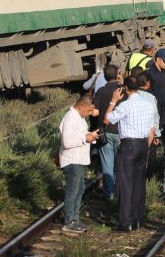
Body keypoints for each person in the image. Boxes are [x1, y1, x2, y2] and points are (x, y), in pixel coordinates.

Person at [104, 76, 157, 231]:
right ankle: (138, 219)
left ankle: (126, 222)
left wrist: (113, 100)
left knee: (126, 184)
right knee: (139, 184)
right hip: (142, 144)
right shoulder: (148, 104)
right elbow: (151, 129)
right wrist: (146, 147)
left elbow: (107, 120)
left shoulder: (125, 105)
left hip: (128, 146)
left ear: (126, 88)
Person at [58, 94, 100, 233]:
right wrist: (85, 138)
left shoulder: (79, 117)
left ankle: (75, 219)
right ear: (82, 106)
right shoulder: (70, 118)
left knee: (80, 189)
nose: (90, 114)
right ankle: (69, 221)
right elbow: (67, 142)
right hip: (72, 160)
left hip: (79, 160)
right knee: (73, 191)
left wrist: (91, 136)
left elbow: (81, 135)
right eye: (89, 111)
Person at [92, 63, 123, 201]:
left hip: (105, 132)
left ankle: (109, 193)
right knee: (119, 164)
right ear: (117, 74)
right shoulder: (123, 91)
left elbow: (96, 112)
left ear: (104, 76)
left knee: (107, 164)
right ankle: (118, 191)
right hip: (121, 132)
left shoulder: (101, 91)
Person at [149, 48, 165, 118]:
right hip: (154, 106)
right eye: (164, 61)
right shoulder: (149, 72)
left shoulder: (164, 71)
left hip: (163, 105)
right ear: (158, 59)